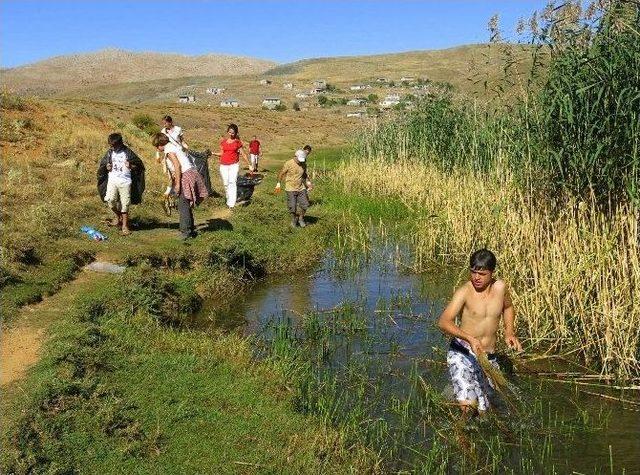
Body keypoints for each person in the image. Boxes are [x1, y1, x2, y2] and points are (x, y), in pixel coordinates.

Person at [437, 249, 523, 413]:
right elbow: (443, 321)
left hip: (487, 357)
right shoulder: (465, 291)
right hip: (462, 352)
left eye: (482, 274)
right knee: (469, 408)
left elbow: (509, 307)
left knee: (485, 410)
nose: (476, 278)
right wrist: (470, 338)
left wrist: (509, 332)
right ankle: (460, 435)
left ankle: (453, 396)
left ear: (492, 273)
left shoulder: (500, 288)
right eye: (473, 272)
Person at [153, 133, 208, 240]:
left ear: (160, 143)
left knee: (183, 204)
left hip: (186, 175)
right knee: (186, 203)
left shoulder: (169, 150)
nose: (156, 148)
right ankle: (190, 230)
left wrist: (178, 184)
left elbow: (177, 165)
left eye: (156, 146)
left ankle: (185, 232)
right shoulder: (173, 147)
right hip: (191, 173)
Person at [97, 133, 145, 236]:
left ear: (120, 143)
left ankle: (124, 226)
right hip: (112, 180)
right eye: (111, 145)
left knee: (125, 204)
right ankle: (119, 217)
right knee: (110, 200)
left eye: (114, 145)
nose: (112, 147)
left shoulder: (128, 153)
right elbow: (103, 165)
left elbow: (139, 166)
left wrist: (131, 166)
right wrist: (106, 167)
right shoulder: (110, 153)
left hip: (125, 182)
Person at [212, 123, 250, 210]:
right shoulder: (223, 142)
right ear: (227, 132)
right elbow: (222, 153)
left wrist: (249, 164)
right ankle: (228, 199)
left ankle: (231, 204)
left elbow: (243, 154)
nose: (231, 134)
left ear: (236, 133)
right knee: (226, 183)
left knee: (232, 182)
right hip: (223, 165)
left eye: (233, 133)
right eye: (230, 132)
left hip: (234, 165)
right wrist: (213, 153)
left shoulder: (237, 142)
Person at [276, 145, 313, 228]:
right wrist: (278, 184)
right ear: (296, 156)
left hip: (301, 187)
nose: (301, 162)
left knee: (305, 204)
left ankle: (300, 218)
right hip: (290, 188)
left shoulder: (303, 163)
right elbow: (281, 173)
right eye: (299, 160)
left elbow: (304, 174)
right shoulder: (289, 163)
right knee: (292, 206)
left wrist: (308, 183)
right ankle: (294, 219)